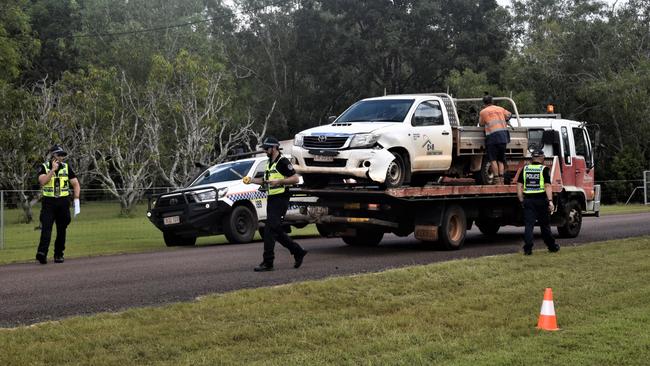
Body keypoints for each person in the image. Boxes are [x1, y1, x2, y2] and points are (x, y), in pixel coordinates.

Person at [243, 137, 308, 271]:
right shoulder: (269, 162)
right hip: (272, 198)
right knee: (275, 230)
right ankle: (297, 251)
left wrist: (279, 182)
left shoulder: (282, 162)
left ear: (274, 148)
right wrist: (251, 180)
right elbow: (265, 180)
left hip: (281, 198)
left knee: (268, 230)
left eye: (267, 148)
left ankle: (268, 262)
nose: (265, 150)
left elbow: (295, 178)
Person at [35, 145, 81, 264]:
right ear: (53, 155)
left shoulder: (66, 167)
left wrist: (76, 200)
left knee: (62, 229)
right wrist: (53, 170)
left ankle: (58, 254)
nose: (62, 157)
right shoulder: (44, 167)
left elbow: (75, 184)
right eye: (59, 154)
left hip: (63, 202)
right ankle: (42, 253)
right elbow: (43, 182)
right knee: (46, 228)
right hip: (49, 202)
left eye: (63, 155)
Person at [516, 149, 560, 255]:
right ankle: (551, 246)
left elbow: (519, 185)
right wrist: (550, 201)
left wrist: (521, 198)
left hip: (528, 200)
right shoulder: (544, 169)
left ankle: (528, 249)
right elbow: (547, 186)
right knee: (545, 225)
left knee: (529, 226)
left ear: (532, 158)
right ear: (541, 158)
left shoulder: (525, 169)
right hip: (541, 201)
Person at [479, 94, 512, 185]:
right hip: (503, 137)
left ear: (484, 103)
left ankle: (496, 179)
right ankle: (501, 180)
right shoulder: (500, 109)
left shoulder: (483, 112)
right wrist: (505, 120)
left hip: (492, 138)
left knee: (493, 159)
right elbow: (509, 115)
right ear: (492, 101)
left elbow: (481, 124)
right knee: (501, 159)